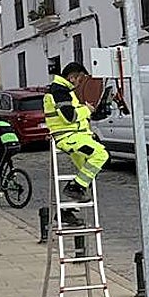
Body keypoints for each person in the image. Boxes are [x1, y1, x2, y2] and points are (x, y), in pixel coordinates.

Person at [44, 62, 109, 203]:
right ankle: (74, 188)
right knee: (101, 154)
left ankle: (69, 210)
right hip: (69, 138)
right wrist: (86, 110)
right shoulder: (59, 91)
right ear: (72, 77)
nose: (80, 83)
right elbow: (69, 117)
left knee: (86, 175)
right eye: (80, 79)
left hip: (77, 137)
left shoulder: (65, 91)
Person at [0, 118, 21, 196]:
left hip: (7, 146)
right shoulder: (7, 124)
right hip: (17, 145)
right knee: (7, 156)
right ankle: (12, 170)